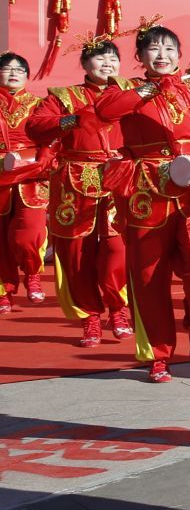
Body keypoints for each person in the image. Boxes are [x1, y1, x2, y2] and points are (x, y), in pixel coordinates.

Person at [90, 23, 190, 380]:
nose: (162, 55)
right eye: (153, 49)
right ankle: (158, 354)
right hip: (146, 192)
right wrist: (151, 88)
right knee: (148, 276)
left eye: (169, 49)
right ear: (140, 57)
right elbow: (105, 112)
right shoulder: (124, 90)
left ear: (180, 56)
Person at [25, 35, 131, 345]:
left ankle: (118, 309)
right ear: (84, 64)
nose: (107, 63)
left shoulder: (130, 94)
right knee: (76, 254)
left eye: (113, 57)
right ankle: (90, 317)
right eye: (99, 57)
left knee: (117, 250)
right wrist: (71, 120)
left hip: (118, 178)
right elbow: (35, 126)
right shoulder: (64, 96)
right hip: (74, 181)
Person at [0, 52, 51, 311]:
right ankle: (4, 292)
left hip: (30, 176)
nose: (14, 73)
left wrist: (39, 160)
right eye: (7, 69)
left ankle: (32, 273)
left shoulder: (39, 105)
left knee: (29, 232)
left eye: (20, 69)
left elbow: (50, 141)